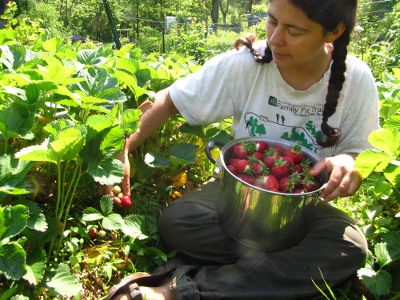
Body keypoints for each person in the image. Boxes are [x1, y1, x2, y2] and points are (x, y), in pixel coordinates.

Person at [102, 0, 380, 298]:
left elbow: (359, 152)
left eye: (294, 31)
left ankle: (181, 289)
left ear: (333, 31)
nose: (275, 39)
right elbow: (169, 100)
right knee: (179, 221)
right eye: (272, 21)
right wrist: (122, 147)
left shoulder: (356, 79)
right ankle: (282, 269)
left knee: (350, 245)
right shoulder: (248, 63)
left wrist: (347, 164)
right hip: (236, 197)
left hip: (300, 210)